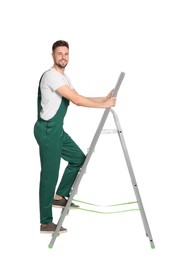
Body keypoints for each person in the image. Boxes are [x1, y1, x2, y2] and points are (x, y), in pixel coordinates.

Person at [34, 40, 116, 234]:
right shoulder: (51, 76)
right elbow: (77, 101)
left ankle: (60, 196)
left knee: (78, 158)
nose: (63, 57)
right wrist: (104, 105)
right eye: (59, 53)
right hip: (47, 130)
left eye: (66, 54)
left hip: (57, 130)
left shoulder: (64, 78)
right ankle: (45, 222)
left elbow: (79, 96)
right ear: (53, 55)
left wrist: (103, 99)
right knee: (49, 175)